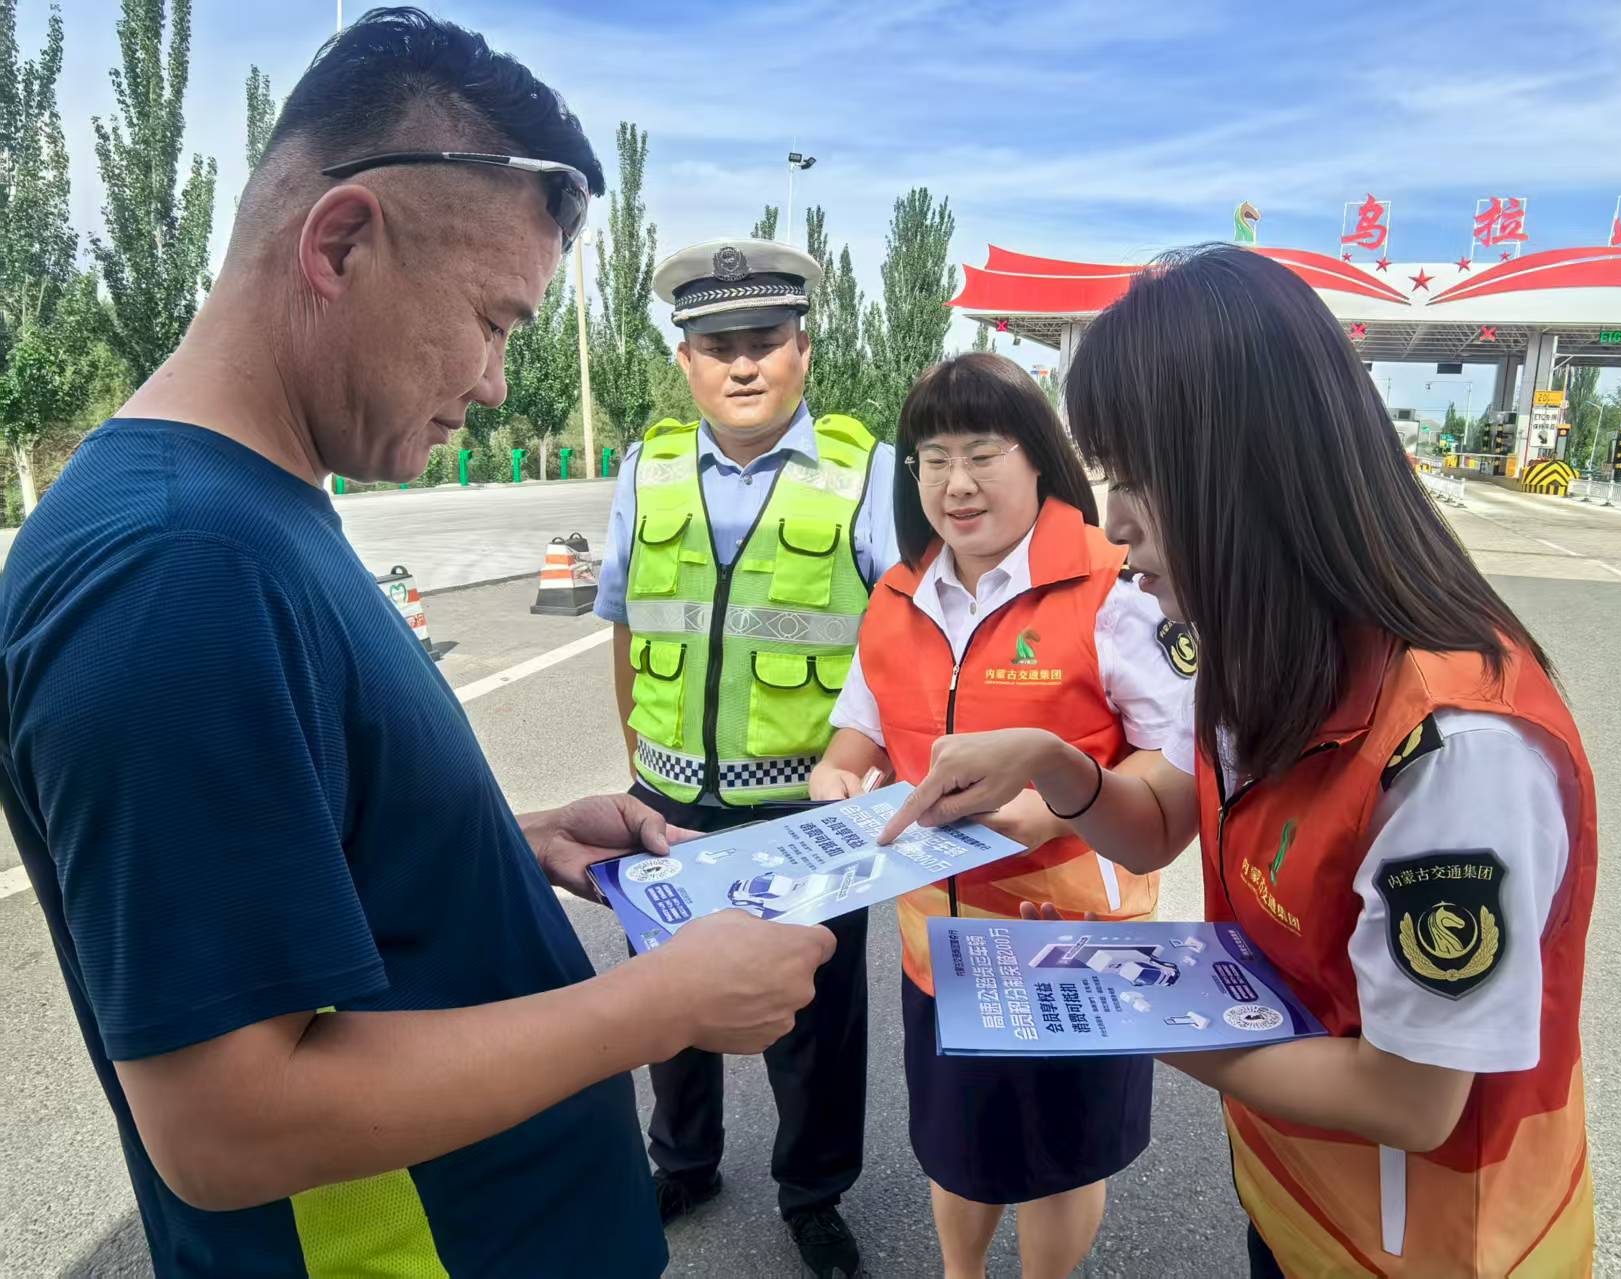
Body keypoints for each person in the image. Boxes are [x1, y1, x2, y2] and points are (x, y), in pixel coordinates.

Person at [0, 12, 836, 1277]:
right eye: (493, 320)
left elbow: (278, 861)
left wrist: (488, 852)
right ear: (339, 243)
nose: (499, 381)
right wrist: (655, 1007)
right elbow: (226, 1119)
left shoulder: (256, 503)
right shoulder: (174, 569)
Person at [890, 246, 1598, 1277]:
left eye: (1135, 478)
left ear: (1249, 469)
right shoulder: (1266, 651)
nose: (1113, 521)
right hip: (1299, 1202)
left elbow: (1409, 1096)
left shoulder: (1454, 748)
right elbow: (1165, 818)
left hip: (1430, 1247)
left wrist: (1115, 1008)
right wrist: (1054, 763)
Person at [814, 354, 1199, 1279]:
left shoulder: (1117, 589)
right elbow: (850, 748)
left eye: (983, 453)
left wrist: (1057, 809)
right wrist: (837, 790)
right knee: (959, 1146)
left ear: (1039, 462)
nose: (956, 484)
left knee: (1063, 1158)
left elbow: (1178, 757)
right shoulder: (896, 598)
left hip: (1073, 940)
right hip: (936, 946)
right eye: (933, 458)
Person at [593, 237, 899, 1277]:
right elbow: (627, 634)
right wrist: (642, 762)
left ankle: (812, 1191)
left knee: (811, 1017)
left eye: (763, 340)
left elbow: (905, 642)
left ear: (802, 351)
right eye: (715, 344)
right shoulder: (647, 469)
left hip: (804, 819)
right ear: (684, 361)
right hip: (668, 799)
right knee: (667, 1001)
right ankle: (683, 1161)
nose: (740, 364)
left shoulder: (867, 475)